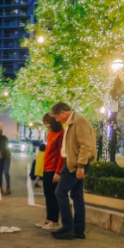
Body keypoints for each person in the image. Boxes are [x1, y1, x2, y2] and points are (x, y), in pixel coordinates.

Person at [50, 102, 96, 241]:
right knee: (76, 195)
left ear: (63, 112)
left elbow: (85, 145)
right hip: (73, 162)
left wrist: (81, 165)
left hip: (75, 164)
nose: (57, 120)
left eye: (57, 117)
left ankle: (68, 228)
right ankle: (78, 230)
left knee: (60, 192)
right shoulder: (72, 122)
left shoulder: (79, 121)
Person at [36, 114, 65, 232]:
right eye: (45, 123)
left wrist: (58, 172)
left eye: (49, 122)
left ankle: (55, 221)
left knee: (54, 195)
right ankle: (49, 219)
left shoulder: (61, 134)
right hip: (47, 168)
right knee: (48, 194)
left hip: (54, 169)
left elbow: (61, 155)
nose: (47, 125)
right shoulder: (49, 134)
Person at [0, 126, 12, 195]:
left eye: (0, 131)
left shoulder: (4, 138)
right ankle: (0, 188)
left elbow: (6, 147)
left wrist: (5, 156)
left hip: (6, 157)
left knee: (6, 172)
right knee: (0, 173)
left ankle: (8, 187)